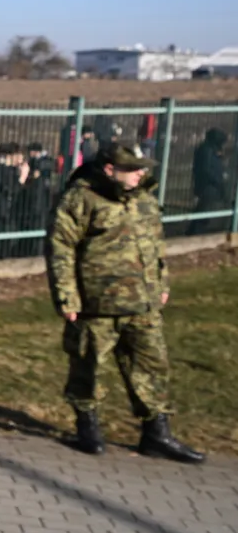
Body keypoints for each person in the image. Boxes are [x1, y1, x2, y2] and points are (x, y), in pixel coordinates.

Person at [46, 142, 204, 464]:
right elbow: (61, 248)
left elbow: (156, 245)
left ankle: (156, 433)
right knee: (88, 366)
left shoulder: (144, 199)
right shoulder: (81, 199)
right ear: (110, 169)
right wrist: (67, 296)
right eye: (132, 169)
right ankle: (87, 428)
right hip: (96, 304)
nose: (140, 174)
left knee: (152, 366)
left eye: (142, 168)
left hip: (142, 303)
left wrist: (161, 283)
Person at [191, 128, 230, 235]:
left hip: (212, 185)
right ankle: (196, 232)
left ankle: (195, 230)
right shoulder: (206, 150)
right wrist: (218, 180)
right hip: (208, 185)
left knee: (203, 210)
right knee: (204, 210)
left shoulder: (211, 149)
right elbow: (206, 169)